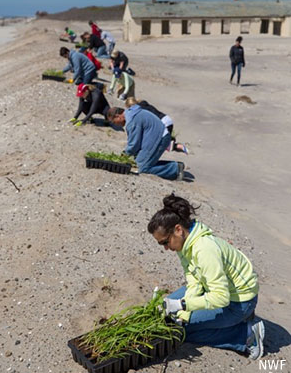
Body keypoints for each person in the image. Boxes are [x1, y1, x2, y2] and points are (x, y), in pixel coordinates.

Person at [147, 193, 264, 360]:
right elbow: (194, 280)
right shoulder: (184, 243)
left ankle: (246, 336)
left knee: (181, 332)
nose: (165, 248)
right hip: (216, 289)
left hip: (239, 302)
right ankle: (231, 322)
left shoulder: (205, 249)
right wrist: (184, 313)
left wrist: (184, 304)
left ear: (178, 229)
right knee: (167, 316)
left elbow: (221, 298)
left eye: (164, 242)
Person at [107, 105, 185, 180]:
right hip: (158, 136)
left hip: (160, 138)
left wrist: (125, 154)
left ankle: (175, 168)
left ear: (118, 116)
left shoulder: (131, 121)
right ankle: (174, 167)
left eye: (114, 122)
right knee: (140, 162)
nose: (116, 125)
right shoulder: (133, 113)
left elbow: (134, 144)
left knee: (142, 168)